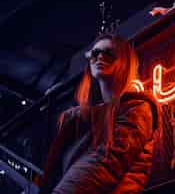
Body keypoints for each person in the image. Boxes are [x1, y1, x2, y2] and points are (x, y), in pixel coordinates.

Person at [37, 34, 162, 194]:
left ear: (124, 61)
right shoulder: (83, 118)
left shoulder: (137, 108)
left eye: (109, 53)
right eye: (95, 54)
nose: (100, 57)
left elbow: (106, 162)